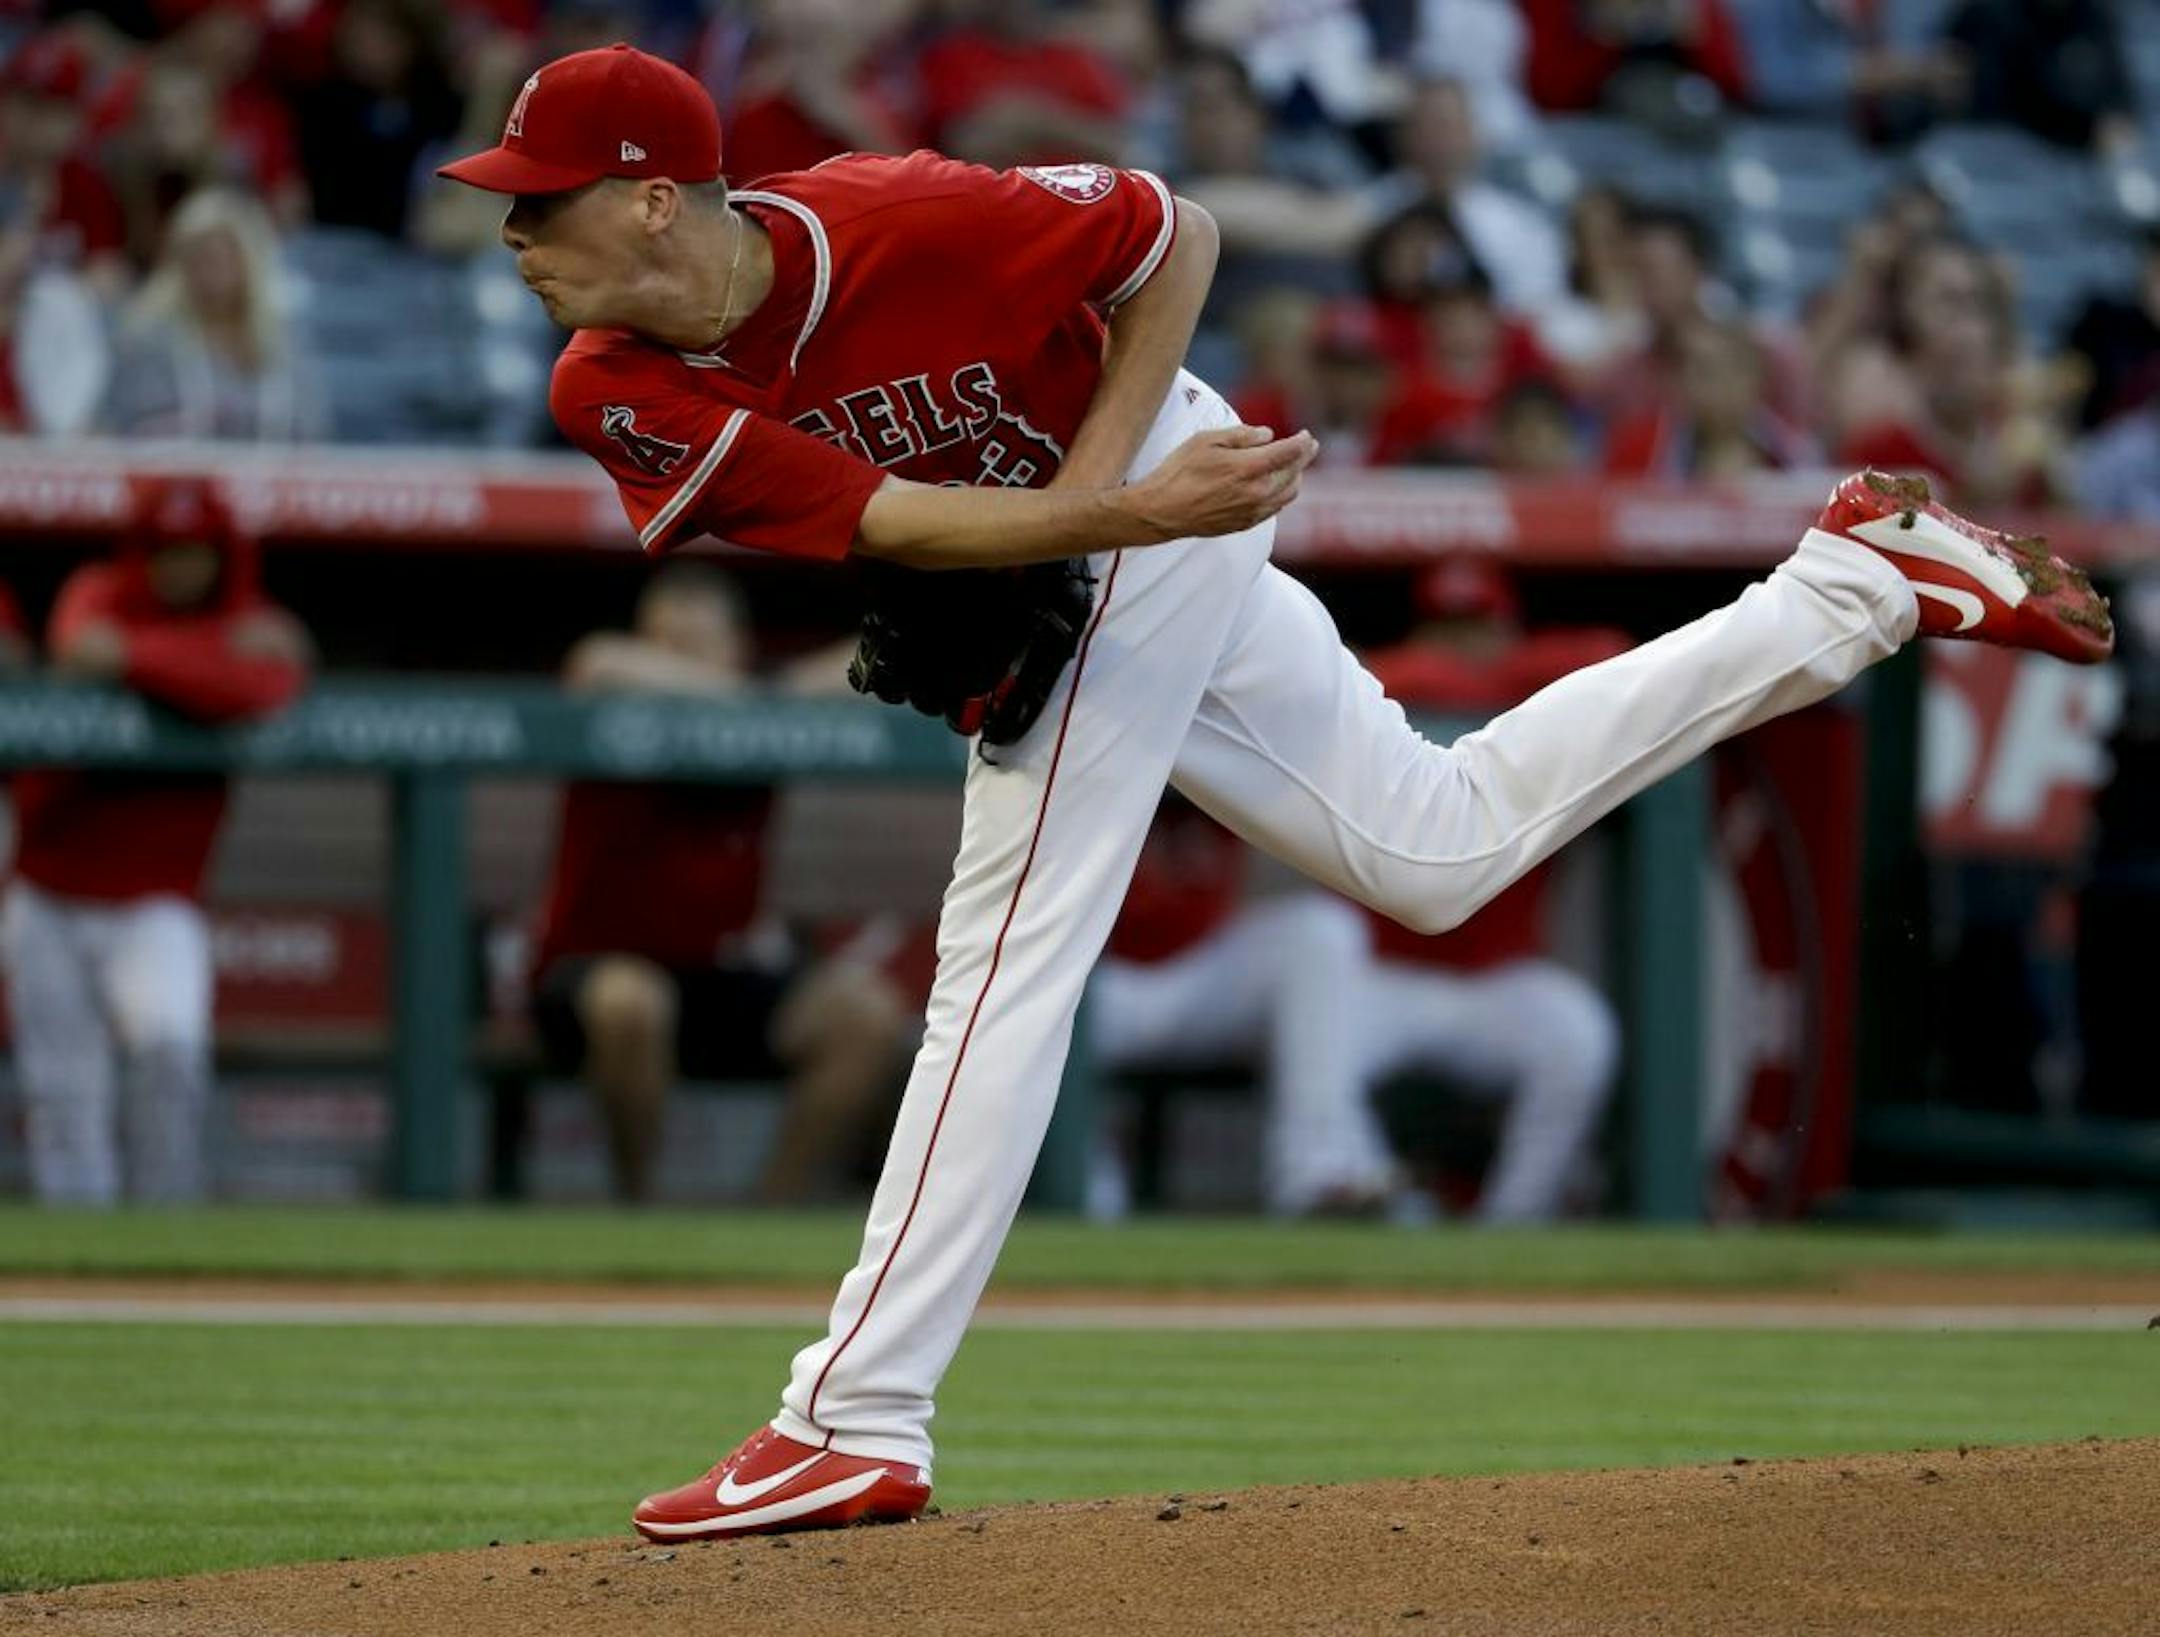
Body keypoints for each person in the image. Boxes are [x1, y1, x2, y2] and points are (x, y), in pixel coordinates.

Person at [436, 43, 2112, 1540]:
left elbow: (1176, 234)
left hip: (1162, 470)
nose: (511, 238)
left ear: (654, 203)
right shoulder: (611, 381)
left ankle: (851, 1416)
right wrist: (1113, 528)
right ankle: (1851, 588)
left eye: (540, 204)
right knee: (1430, 847)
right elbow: (888, 528)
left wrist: (1121, 498)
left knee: (1004, 952)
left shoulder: (901, 216)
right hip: (1121, 533)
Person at [529, 563, 913, 1204]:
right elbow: (596, 661)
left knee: (866, 1017)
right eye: (666, 648)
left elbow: (868, 660)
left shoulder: (764, 703)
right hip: (592, 973)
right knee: (633, 1001)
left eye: (698, 647)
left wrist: (759, 699)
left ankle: (765, 1217)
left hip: (719, 976)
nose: (679, 669)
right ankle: (638, 1213)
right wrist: (750, 697)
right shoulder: (617, 684)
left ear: (737, 650)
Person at [0, 478, 310, 1206]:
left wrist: (140, 657)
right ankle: (82, 1261)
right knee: (62, 1091)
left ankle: (165, 1233)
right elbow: (83, 644)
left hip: (156, 899)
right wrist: (205, 654)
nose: (179, 569)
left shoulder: (251, 617)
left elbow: (262, 687)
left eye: (195, 553)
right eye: (165, 552)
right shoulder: (96, 589)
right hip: (50, 884)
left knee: (171, 1050)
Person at [1360, 561, 1627, 1222]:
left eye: (1477, 628)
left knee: (1577, 1030)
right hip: (1382, 982)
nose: (1461, 649)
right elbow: (1357, 679)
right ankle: (1352, 1202)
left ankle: (1512, 1224)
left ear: (1508, 629)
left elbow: (1610, 658)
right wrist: (1461, 675)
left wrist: (1478, 677)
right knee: (1315, 1013)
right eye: (1446, 631)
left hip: (1497, 984)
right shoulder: (1376, 716)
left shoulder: (1538, 716)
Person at [1087, 797, 1392, 1217]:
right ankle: (1086, 1197)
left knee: (1319, 931)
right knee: (1036, 995)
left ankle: (1321, 1175)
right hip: (1098, 976)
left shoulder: (1218, 739)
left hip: (1204, 967)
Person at [104, 185, 326, 440]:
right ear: (179, 264)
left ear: (248, 263)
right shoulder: (148, 340)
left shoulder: (283, 340)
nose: (212, 272)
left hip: (268, 471)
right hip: (177, 474)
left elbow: (311, 429)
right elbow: (129, 430)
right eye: (200, 258)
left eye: (223, 258)